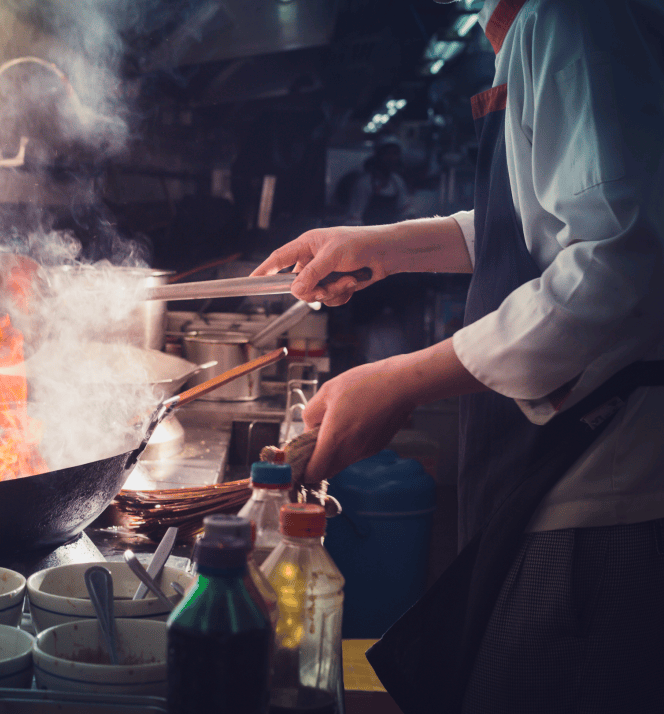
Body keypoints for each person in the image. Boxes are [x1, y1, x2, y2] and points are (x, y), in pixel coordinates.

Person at [253, 1, 664, 712]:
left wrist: (402, 382)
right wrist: (382, 244)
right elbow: (537, 223)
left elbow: (616, 260)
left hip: (600, 483)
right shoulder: (537, 30)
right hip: (561, 463)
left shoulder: (570, 20)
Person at [344, 137, 412, 226]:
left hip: (389, 234)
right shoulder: (364, 183)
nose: (392, 158)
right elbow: (354, 217)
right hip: (368, 234)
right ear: (378, 156)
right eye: (388, 154)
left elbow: (405, 211)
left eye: (395, 154)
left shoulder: (397, 181)